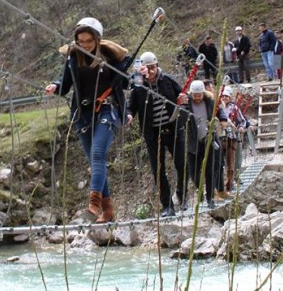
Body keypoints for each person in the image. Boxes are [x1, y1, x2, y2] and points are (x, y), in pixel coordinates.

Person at [45, 17, 130, 223]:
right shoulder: (72, 58)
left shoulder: (111, 57)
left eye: (89, 41)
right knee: (94, 160)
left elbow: (127, 82)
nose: (85, 45)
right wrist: (55, 87)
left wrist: (136, 75)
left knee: (98, 153)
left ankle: (94, 204)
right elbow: (65, 84)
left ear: (97, 40)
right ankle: (108, 211)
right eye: (81, 41)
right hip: (82, 115)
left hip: (108, 110)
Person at [127, 52, 188, 217]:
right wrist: (129, 115)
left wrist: (183, 100)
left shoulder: (167, 80)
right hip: (153, 134)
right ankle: (167, 206)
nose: (151, 71)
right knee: (158, 170)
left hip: (173, 129)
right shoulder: (138, 86)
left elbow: (182, 96)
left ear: (157, 65)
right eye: (147, 68)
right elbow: (130, 106)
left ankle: (182, 194)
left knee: (182, 164)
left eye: (153, 67)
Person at [184, 80, 226, 209]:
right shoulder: (187, 103)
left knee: (210, 170)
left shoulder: (210, 102)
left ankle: (210, 199)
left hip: (209, 139)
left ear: (203, 93)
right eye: (195, 95)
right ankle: (200, 190)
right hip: (193, 141)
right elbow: (181, 114)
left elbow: (219, 110)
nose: (197, 98)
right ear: (191, 94)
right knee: (193, 172)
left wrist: (223, 119)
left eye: (199, 95)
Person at [220, 86, 248, 193]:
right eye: (223, 96)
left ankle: (229, 185)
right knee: (219, 164)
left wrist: (241, 127)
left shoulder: (234, 108)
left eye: (227, 96)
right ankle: (220, 186)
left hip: (231, 138)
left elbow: (242, 120)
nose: (225, 98)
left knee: (231, 163)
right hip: (219, 138)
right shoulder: (218, 107)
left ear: (230, 97)